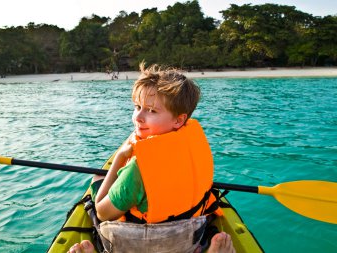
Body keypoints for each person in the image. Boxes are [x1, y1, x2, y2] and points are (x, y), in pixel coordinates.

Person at [68, 63, 235, 253]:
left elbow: (103, 212)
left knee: (97, 180)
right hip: (190, 236)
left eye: (151, 110)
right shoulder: (192, 141)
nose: (138, 117)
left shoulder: (138, 170)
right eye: (138, 106)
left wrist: (119, 159)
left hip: (145, 243)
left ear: (178, 120)